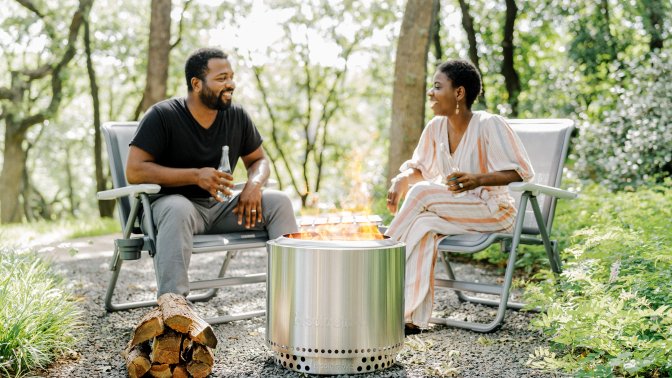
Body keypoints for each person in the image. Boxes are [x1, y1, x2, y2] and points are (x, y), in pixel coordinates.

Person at [126, 47, 298, 298]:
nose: (230, 84)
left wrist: (254, 184)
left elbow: (259, 160)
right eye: (221, 79)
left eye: (231, 77)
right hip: (172, 209)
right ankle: (173, 308)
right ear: (196, 84)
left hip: (221, 207)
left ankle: (292, 296)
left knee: (279, 202)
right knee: (178, 208)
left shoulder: (237, 116)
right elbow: (135, 171)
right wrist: (195, 176)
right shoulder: (162, 115)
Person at [384, 59, 534, 332]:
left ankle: (379, 257)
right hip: (459, 210)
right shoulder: (435, 128)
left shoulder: (489, 124)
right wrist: (401, 178)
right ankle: (410, 317)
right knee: (422, 225)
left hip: (494, 211)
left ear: (459, 93)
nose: (430, 92)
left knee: (420, 195)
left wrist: (478, 179)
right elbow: (420, 170)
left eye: (437, 86)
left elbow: (521, 172)